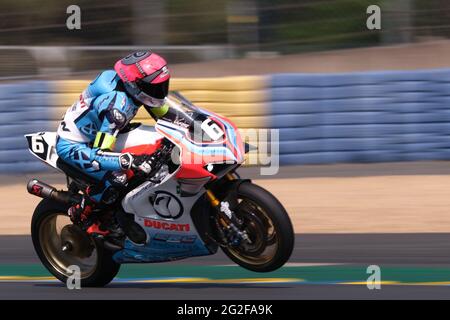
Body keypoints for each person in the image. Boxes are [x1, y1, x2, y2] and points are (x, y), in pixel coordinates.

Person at [55, 51, 170, 242]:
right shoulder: (116, 108)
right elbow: (101, 153)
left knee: (157, 144)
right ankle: (86, 212)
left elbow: (166, 114)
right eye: (155, 87)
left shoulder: (130, 87)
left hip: (98, 132)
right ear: (134, 85)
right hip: (75, 145)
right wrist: (132, 160)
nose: (161, 90)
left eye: (163, 85)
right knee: (120, 176)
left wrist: (195, 126)